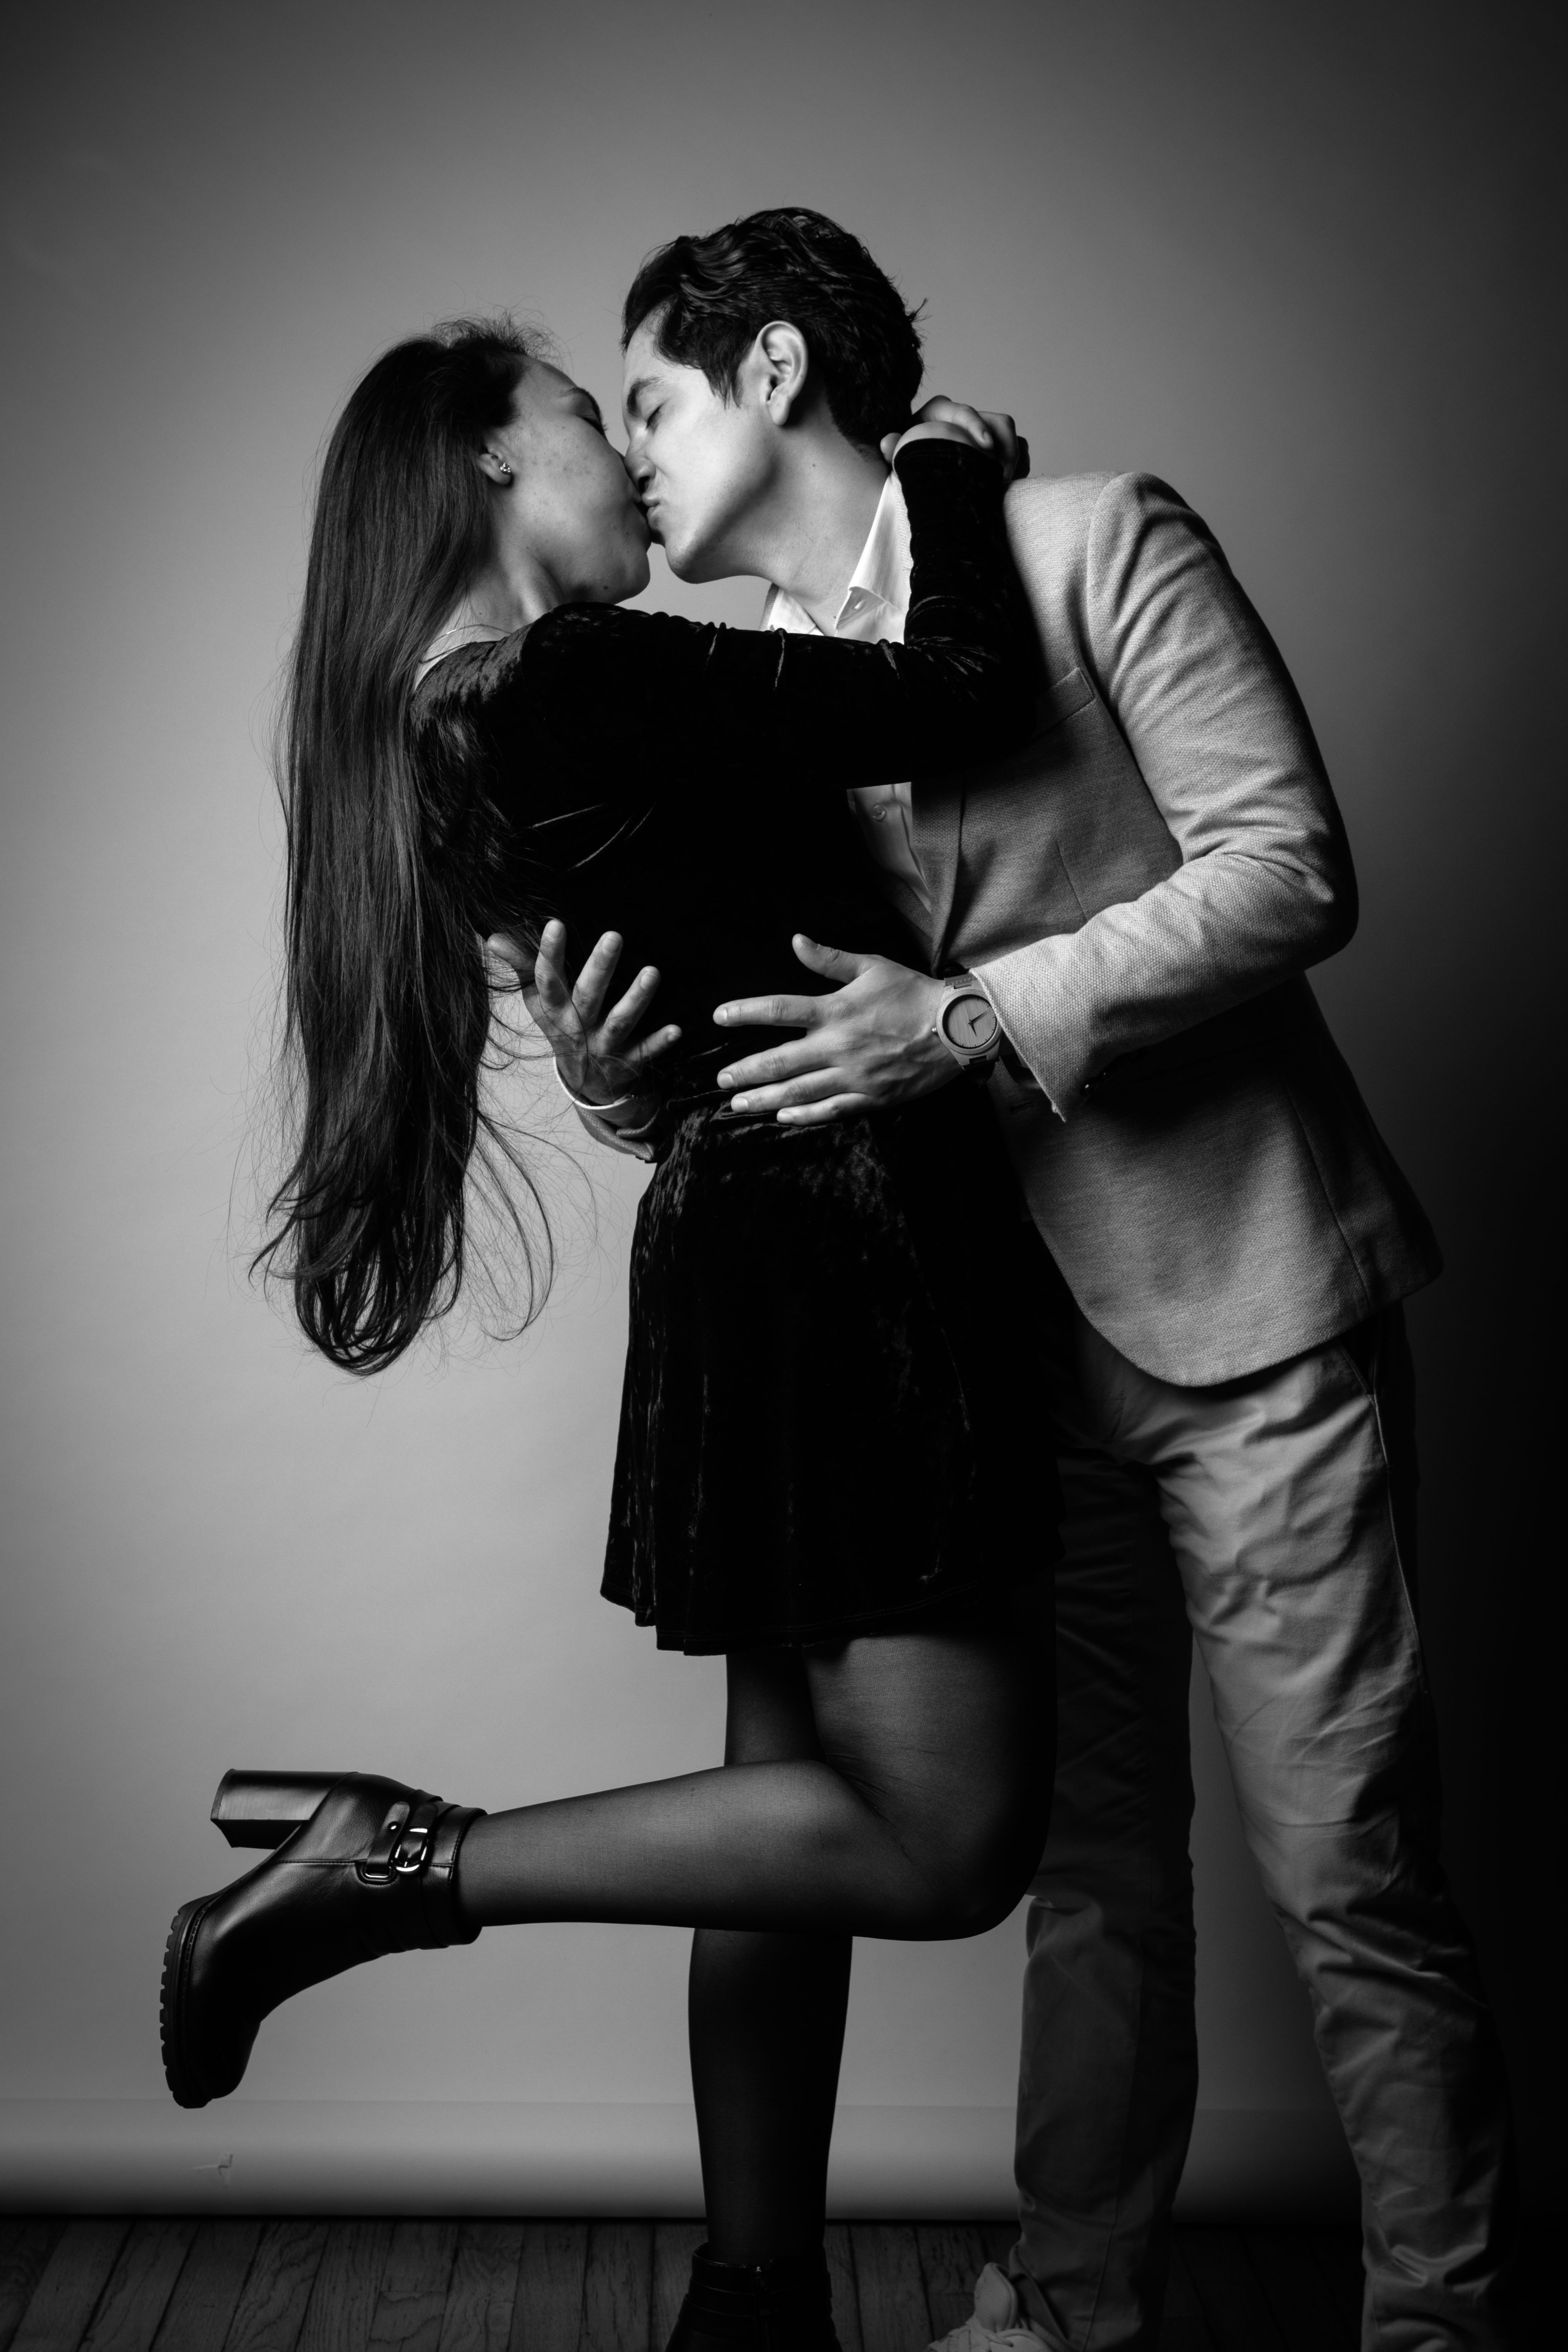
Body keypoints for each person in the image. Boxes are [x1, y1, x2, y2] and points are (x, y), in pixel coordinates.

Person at [515, 209, 1519, 2352]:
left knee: (1349, 1868)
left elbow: (1291, 867)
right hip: (981, 1366)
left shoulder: (1086, 543)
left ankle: (1440, 2321)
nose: (633, 457)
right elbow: (765, 1040)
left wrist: (971, 1022)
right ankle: (1072, 2304)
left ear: (774, 370)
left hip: (1248, 1305)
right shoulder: (745, 679)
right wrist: (617, 1084)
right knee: (1094, 1871)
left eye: (653, 403)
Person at [163, 312, 1062, 2352]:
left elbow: (677, 1016)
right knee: (945, 1840)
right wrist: (947, 465)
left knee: (782, 1826)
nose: (629, 459)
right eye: (588, 414)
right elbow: (962, 694)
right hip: (859, 1253)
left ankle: (753, 2303)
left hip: (741, 1245)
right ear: (486, 460)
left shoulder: (440, 732)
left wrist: (622, 1085)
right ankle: (404, 1861)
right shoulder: (575, 673)